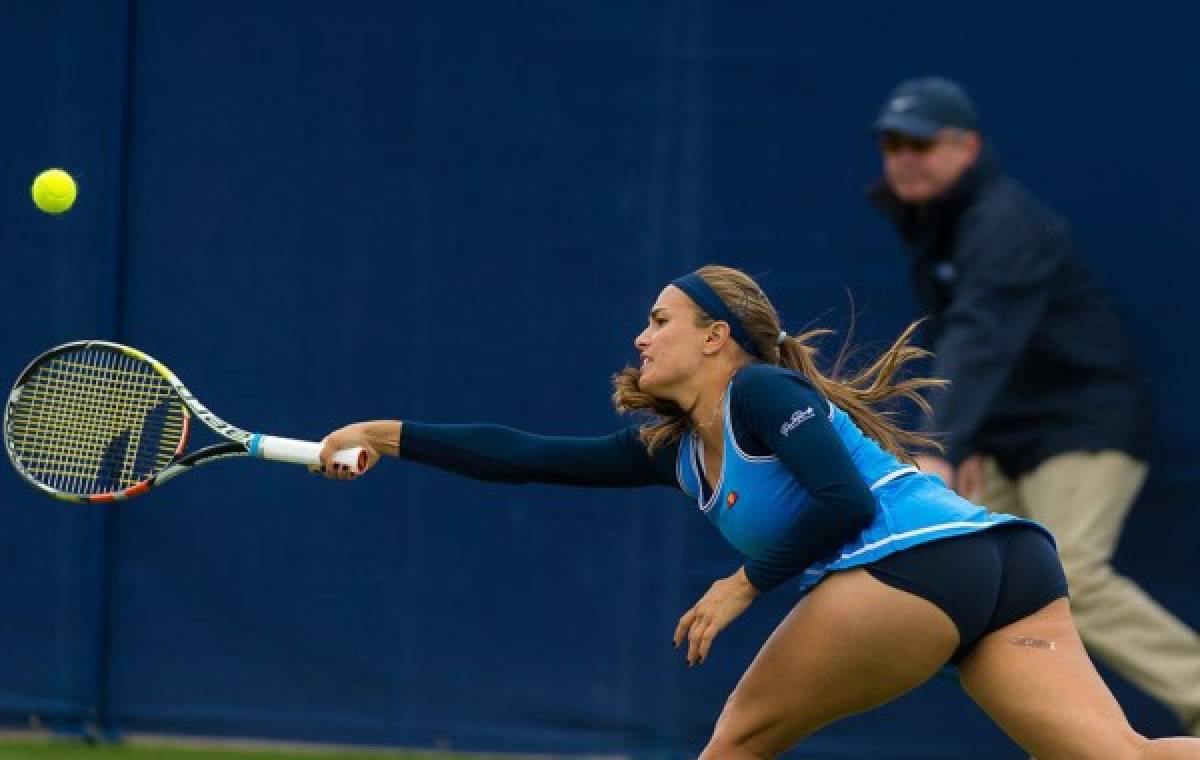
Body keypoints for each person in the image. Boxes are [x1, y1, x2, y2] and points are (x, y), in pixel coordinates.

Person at [314, 266, 1199, 758]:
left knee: (737, 738)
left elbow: (846, 502)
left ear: (716, 338)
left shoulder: (762, 391)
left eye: (661, 319)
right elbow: (526, 456)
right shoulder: (673, 455)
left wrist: (743, 585)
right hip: (1006, 565)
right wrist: (386, 434)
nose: (641, 335)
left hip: (923, 562)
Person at [868, 76, 1200, 735]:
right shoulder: (936, 221)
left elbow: (980, 341)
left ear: (967, 148)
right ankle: (1069, 737)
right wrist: (970, 439)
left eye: (921, 143)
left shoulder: (1005, 224)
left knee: (1066, 573)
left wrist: (938, 445)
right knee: (985, 590)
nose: (904, 156)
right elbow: (964, 340)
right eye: (892, 143)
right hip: (1003, 434)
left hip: (1083, 426)